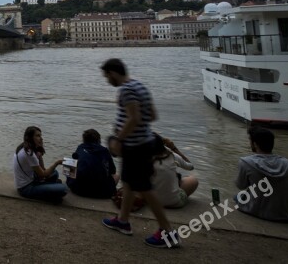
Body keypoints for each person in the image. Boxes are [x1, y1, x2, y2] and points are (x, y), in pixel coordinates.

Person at [99, 58, 179, 248]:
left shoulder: (125, 90)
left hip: (135, 147)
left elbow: (133, 118)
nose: (107, 81)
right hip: (144, 143)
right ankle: (123, 221)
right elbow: (151, 115)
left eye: (107, 76)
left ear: (113, 73)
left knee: (145, 189)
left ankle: (168, 232)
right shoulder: (139, 86)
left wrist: (119, 139)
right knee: (128, 184)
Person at [235, 126, 288, 222]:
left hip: (259, 212)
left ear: (255, 144)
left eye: (250, 141)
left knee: (238, 196)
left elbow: (240, 185)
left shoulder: (246, 162)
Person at [12, 125, 68, 203]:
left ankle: (49, 188)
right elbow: (43, 174)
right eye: (38, 136)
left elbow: (42, 169)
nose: (41, 138)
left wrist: (40, 155)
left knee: (55, 173)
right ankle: (49, 192)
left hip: (29, 179)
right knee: (64, 189)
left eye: (40, 136)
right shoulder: (29, 153)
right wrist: (57, 163)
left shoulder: (24, 147)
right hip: (25, 188)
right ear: (30, 137)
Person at [66, 129, 119, 198]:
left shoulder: (80, 147)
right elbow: (112, 171)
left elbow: (74, 165)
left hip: (77, 190)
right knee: (117, 176)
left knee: (69, 162)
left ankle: (70, 183)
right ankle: (108, 189)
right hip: (101, 193)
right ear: (98, 140)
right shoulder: (104, 151)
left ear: (84, 139)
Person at [152, 136, 198, 208]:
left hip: (149, 200)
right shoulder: (171, 154)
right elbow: (190, 167)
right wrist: (174, 148)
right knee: (192, 180)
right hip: (173, 202)